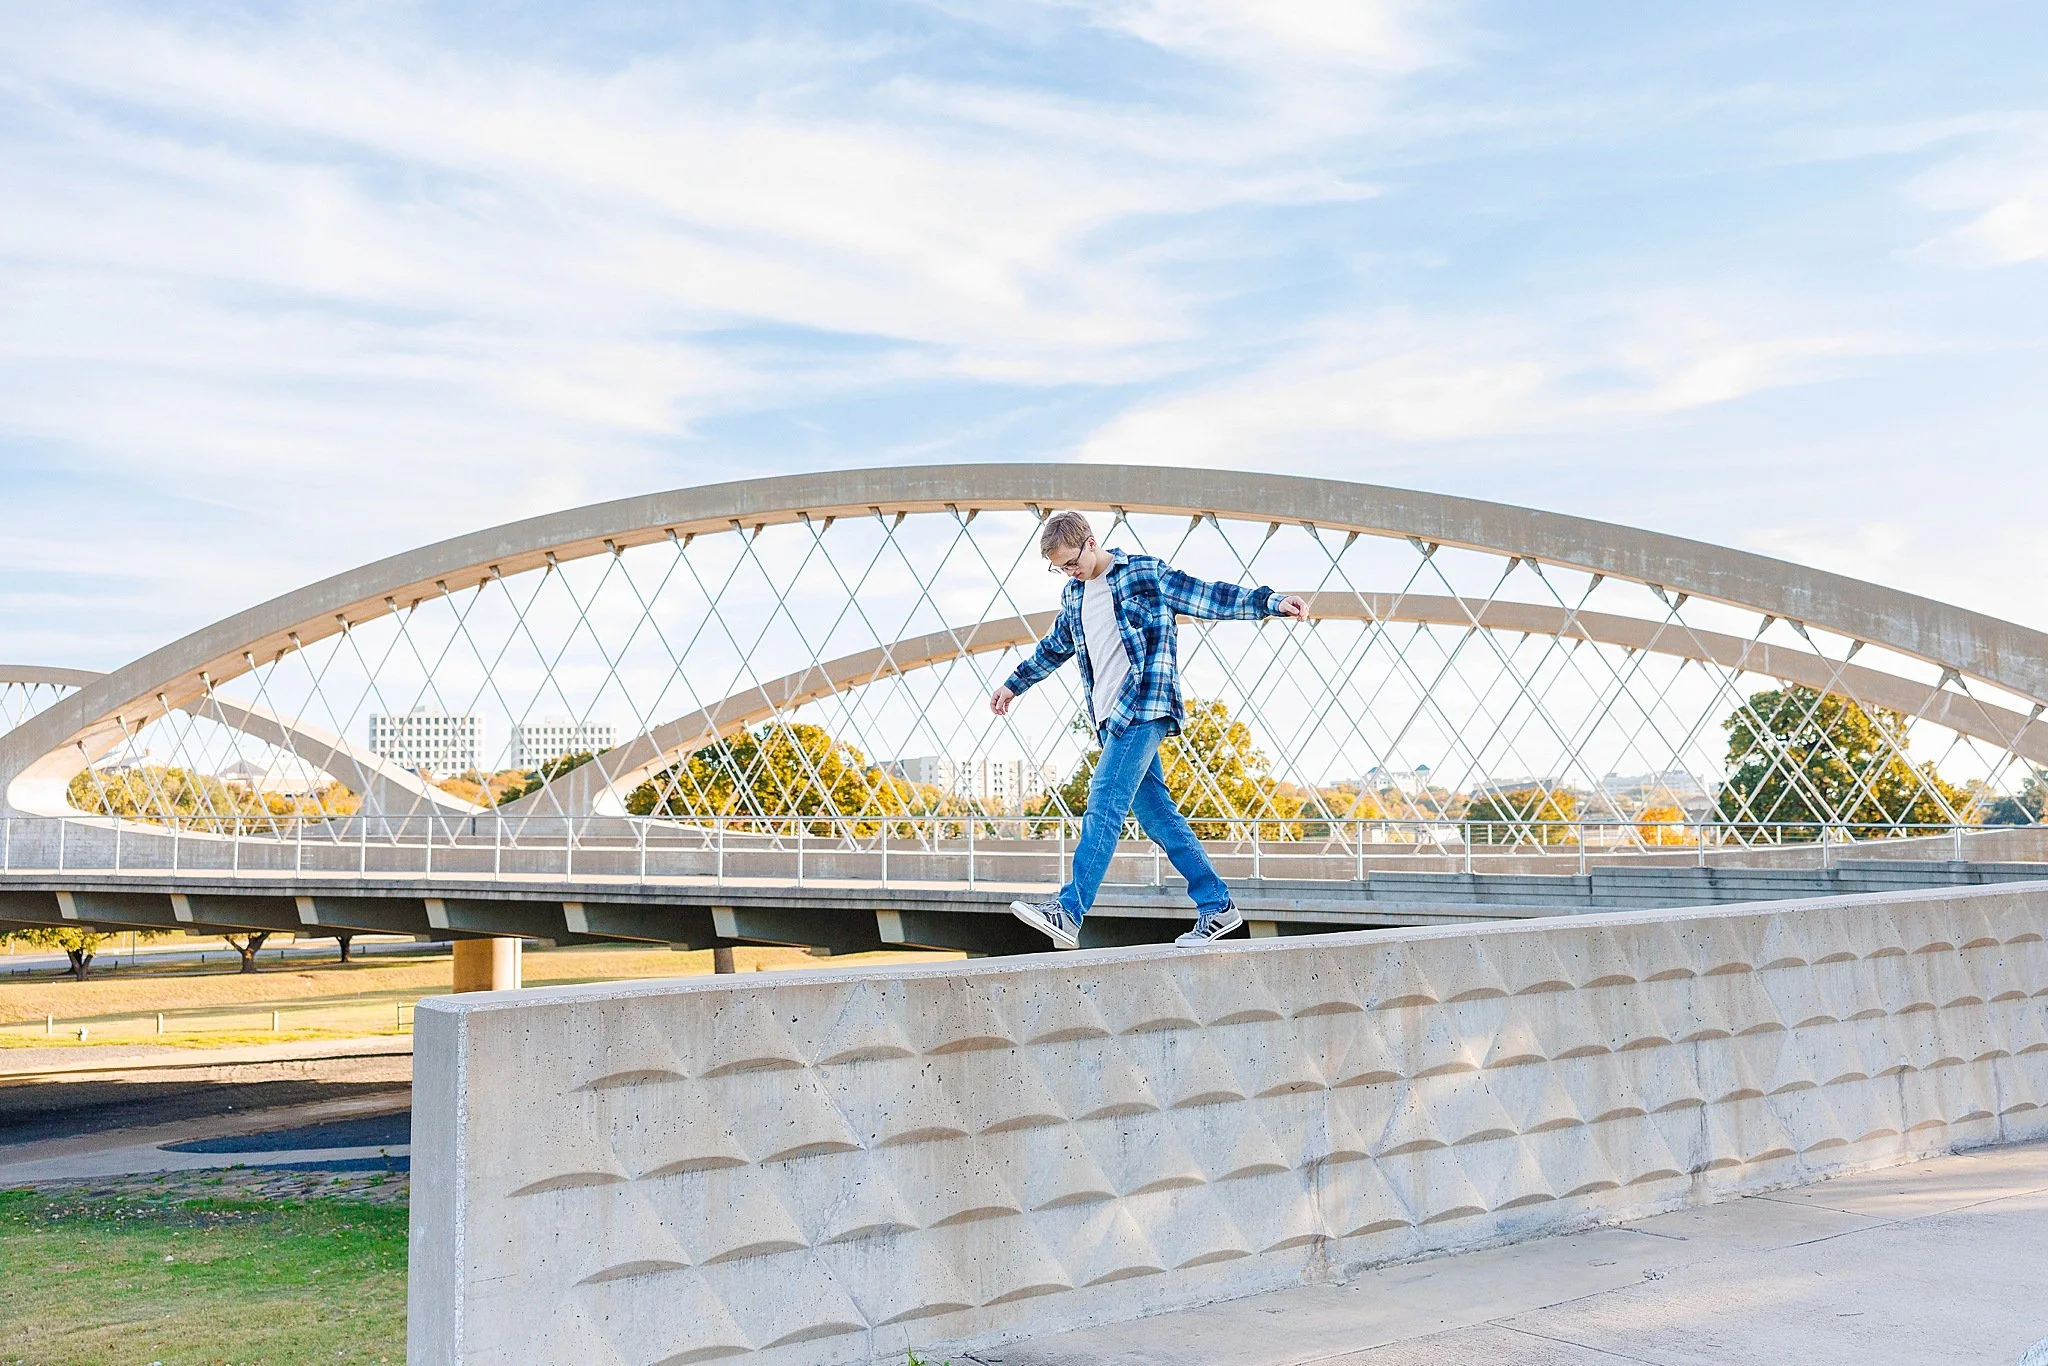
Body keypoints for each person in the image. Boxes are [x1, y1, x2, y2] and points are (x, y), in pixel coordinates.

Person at [991, 510, 1307, 948]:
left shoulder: (1143, 573)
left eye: (1071, 562)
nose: (1069, 572)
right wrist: (1014, 683)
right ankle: (1217, 906)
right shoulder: (1074, 595)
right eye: (1060, 568)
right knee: (1158, 817)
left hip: (1145, 705)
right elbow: (1054, 647)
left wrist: (1268, 602)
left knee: (1103, 803)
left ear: (1090, 542)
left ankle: (1068, 911)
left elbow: (1207, 596)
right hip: (1109, 719)